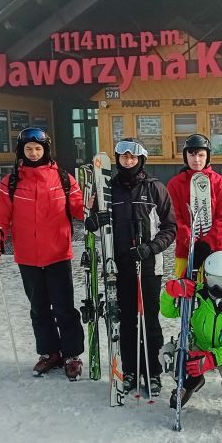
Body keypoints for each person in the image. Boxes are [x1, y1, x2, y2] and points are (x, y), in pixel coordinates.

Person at [0, 127, 86, 380]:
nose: (33, 153)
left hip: (58, 253)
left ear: (46, 150)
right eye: (28, 149)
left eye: (38, 149)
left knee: (64, 308)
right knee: (39, 308)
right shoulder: (11, 183)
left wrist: (92, 206)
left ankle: (72, 355)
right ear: (21, 151)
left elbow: (79, 209)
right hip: (28, 257)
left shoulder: (63, 179)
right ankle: (49, 353)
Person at [84, 138, 176, 396]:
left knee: (149, 321)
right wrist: (94, 221)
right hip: (118, 265)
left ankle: (152, 372)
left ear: (141, 159)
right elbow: (95, 226)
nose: (128, 161)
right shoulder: (108, 189)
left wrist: (151, 247)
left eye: (133, 157)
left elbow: (170, 228)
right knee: (125, 321)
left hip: (148, 266)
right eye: (124, 157)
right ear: (118, 159)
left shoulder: (155, 188)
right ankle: (130, 370)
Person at [161, 251, 222, 418]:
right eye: (212, 279)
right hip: (200, 345)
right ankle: (190, 382)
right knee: (169, 356)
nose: (216, 287)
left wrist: (212, 358)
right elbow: (168, 312)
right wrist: (170, 292)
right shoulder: (197, 295)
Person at [166, 134, 222, 277]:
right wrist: (191, 242)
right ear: (185, 157)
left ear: (208, 156)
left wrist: (207, 243)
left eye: (201, 155)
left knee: (212, 290)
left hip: (214, 250)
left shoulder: (220, 183)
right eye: (192, 155)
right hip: (185, 252)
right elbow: (174, 217)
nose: (196, 159)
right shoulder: (175, 184)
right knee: (185, 288)